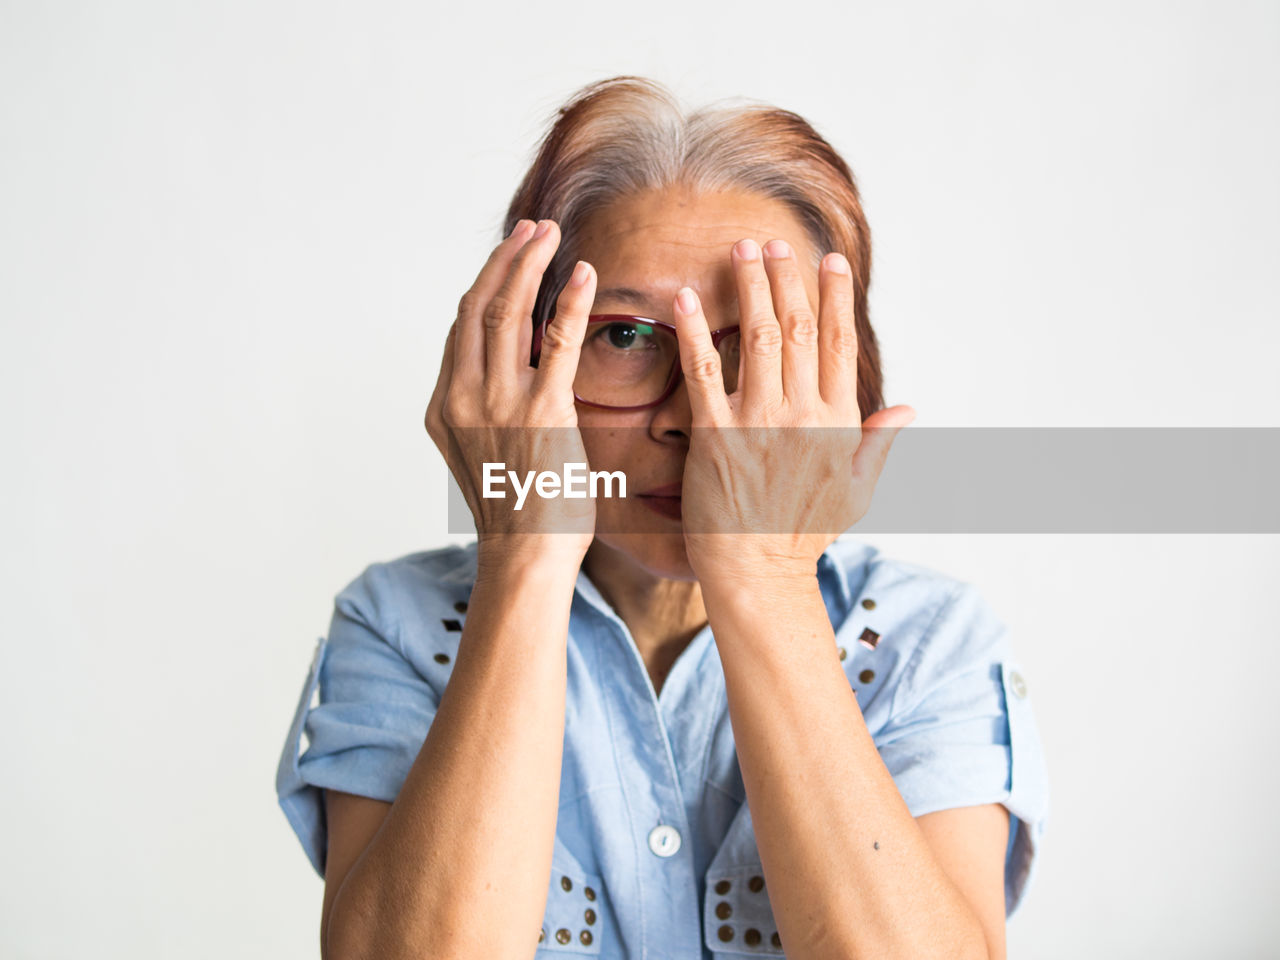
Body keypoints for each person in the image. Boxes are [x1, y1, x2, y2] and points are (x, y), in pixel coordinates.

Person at [275, 76, 1049, 960]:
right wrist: (525, 549)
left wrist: (764, 577)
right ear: (523, 362)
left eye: (757, 347)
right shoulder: (396, 624)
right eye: (626, 337)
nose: (691, 414)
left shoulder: (928, 641)